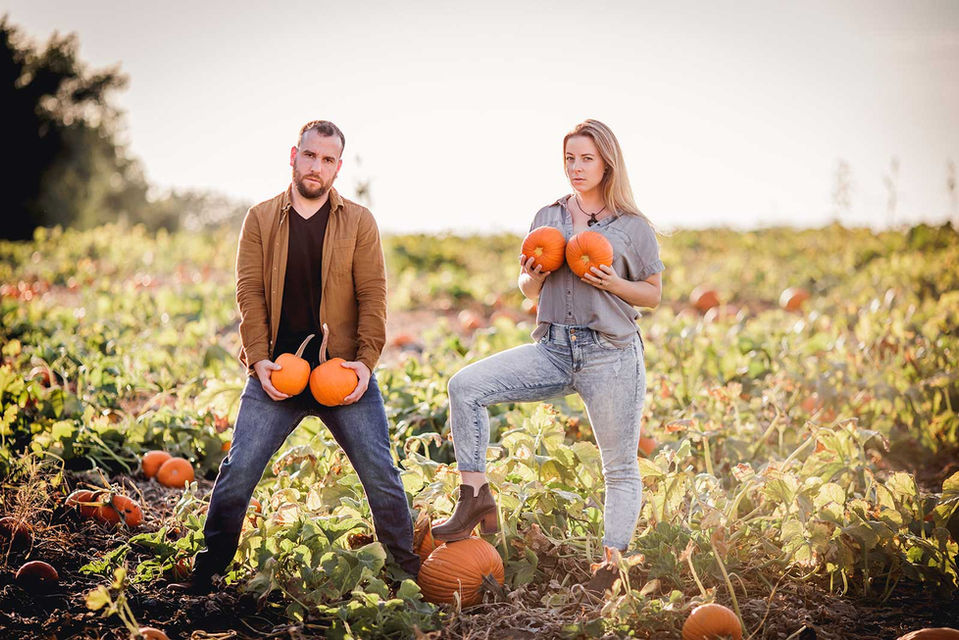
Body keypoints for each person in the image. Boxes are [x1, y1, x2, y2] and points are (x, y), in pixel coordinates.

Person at [171, 120, 420, 593]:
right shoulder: (261, 218)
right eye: (310, 156)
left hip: (340, 372)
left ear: (338, 167)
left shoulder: (359, 222)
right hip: (278, 375)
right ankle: (209, 569)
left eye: (328, 160)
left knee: (380, 469)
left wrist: (365, 363)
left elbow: (373, 294)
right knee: (239, 467)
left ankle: (407, 571)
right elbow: (249, 293)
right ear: (294, 155)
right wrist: (257, 359)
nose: (317, 167)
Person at [431, 119, 663, 594]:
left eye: (586, 159)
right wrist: (532, 277)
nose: (576, 168)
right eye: (569, 159)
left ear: (607, 164)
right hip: (555, 347)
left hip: (611, 354)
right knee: (465, 386)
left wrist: (612, 283)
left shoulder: (632, 227)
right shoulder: (548, 215)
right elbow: (526, 288)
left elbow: (653, 294)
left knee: (618, 466)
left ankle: (612, 566)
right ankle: (475, 497)